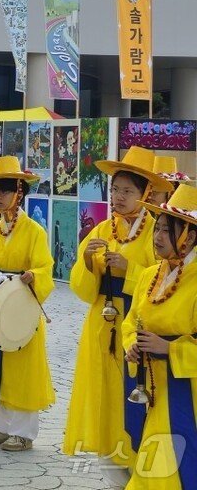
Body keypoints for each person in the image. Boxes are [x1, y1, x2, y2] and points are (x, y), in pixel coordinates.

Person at [64, 146, 174, 476]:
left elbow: (165, 279)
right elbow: (82, 290)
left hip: (135, 321)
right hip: (101, 320)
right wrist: (87, 262)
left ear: (145, 194)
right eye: (115, 190)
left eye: (127, 191)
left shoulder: (156, 232)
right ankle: (112, 458)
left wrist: (130, 270)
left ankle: (138, 460)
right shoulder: (101, 229)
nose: (119, 197)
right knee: (103, 390)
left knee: (132, 389)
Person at [0, 156, 54, 451]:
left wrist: (34, 276)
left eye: (3, 190)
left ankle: (22, 431)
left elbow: (45, 268)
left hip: (21, 307)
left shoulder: (35, 231)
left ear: (19, 193)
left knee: (21, 367)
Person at [123, 183, 197, 490]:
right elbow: (131, 322)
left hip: (188, 394)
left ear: (189, 236)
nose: (158, 236)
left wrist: (170, 348)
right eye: (157, 228)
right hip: (155, 388)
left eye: (167, 230)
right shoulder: (149, 275)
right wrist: (132, 344)